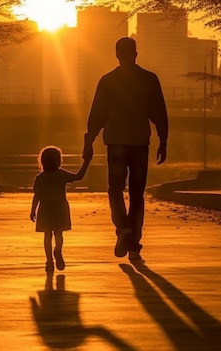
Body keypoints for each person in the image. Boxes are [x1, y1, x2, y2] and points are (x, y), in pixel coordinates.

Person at [82, 37, 169, 262]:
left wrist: (89, 139)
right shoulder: (149, 79)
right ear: (136, 54)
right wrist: (163, 140)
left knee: (115, 190)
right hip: (140, 143)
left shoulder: (108, 81)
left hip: (117, 143)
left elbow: (97, 115)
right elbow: (158, 112)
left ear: (116, 55)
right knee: (137, 195)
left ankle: (123, 229)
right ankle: (134, 246)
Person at [30, 146, 91, 272]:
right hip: (60, 207)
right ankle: (58, 251)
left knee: (47, 236)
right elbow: (78, 176)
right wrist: (86, 162)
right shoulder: (61, 174)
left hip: (45, 208)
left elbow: (37, 195)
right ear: (58, 160)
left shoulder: (40, 178)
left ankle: (49, 261)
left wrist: (33, 210)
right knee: (59, 234)